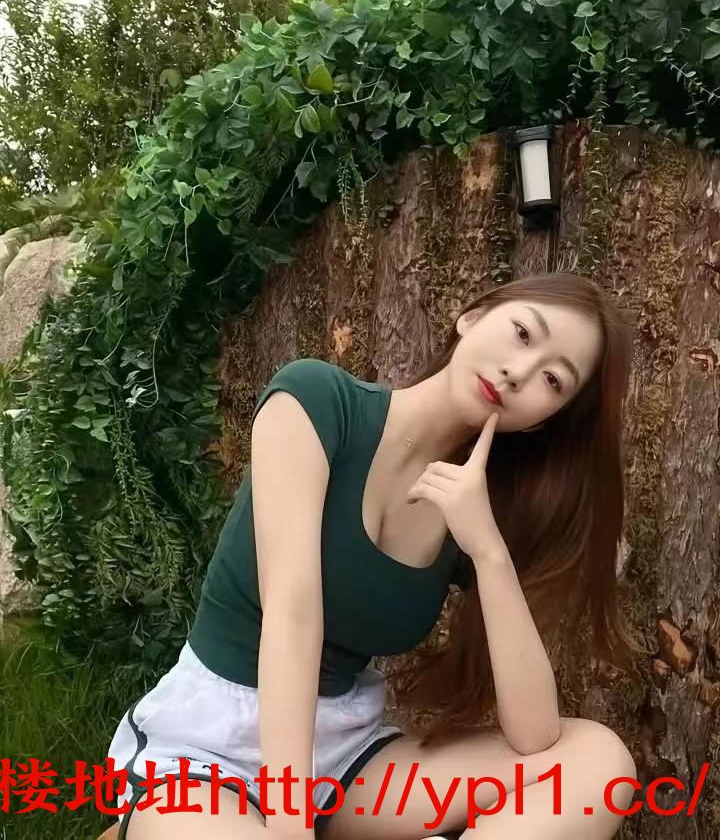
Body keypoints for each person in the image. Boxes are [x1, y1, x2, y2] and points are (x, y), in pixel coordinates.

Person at [106, 271, 642, 840]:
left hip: (344, 757)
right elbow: (292, 617)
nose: (519, 371)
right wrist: (291, 829)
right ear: (472, 316)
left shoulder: (473, 506)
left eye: (553, 380)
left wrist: (488, 550)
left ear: (546, 420)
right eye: (522, 333)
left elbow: (534, 736)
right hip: (207, 748)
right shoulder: (315, 401)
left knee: (599, 763)